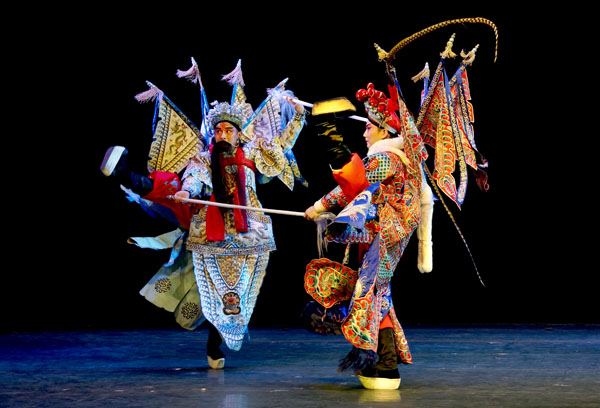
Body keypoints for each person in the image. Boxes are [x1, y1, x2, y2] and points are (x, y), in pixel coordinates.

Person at [101, 60, 306, 370]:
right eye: (218, 129)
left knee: (239, 292)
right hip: (212, 231)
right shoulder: (203, 158)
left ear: (238, 134)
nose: (222, 133)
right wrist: (186, 192)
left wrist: (298, 115)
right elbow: (193, 180)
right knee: (216, 288)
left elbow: (281, 149)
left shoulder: (253, 153)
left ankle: (218, 338)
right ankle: (213, 342)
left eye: (228, 129)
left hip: (250, 231)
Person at [302, 82, 434, 390]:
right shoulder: (401, 160)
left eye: (369, 127)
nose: (364, 132)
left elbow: (355, 186)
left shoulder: (386, 158)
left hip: (383, 237)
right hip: (381, 235)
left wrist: (318, 207)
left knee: (370, 294)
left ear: (384, 132)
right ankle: (383, 362)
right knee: (378, 296)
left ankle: (386, 366)